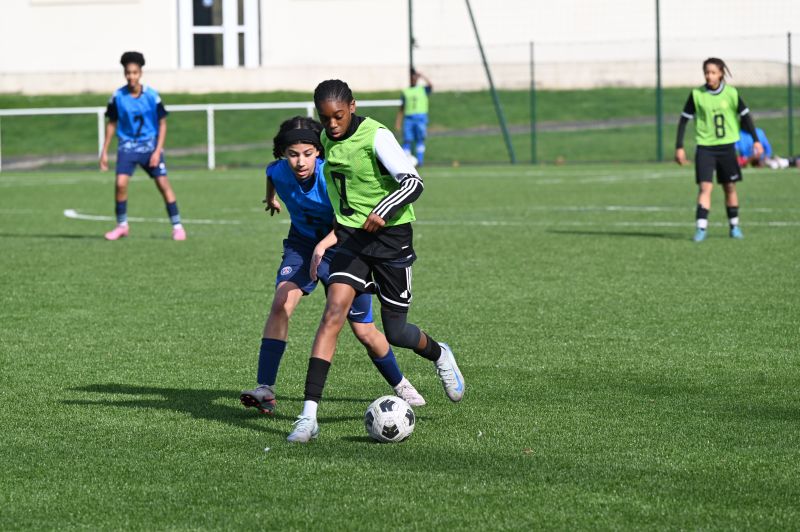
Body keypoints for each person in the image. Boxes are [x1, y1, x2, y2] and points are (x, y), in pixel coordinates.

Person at [286, 80, 464, 443]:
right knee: (333, 315)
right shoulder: (326, 139)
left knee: (396, 332)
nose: (332, 124)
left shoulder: (376, 136)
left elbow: (413, 182)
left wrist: (382, 210)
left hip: (391, 239)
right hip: (351, 241)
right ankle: (308, 417)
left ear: (352, 106)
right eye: (325, 117)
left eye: (338, 116)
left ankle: (439, 353)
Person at [240, 116, 425, 416]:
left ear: (318, 152)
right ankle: (265, 388)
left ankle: (400, 383)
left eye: (307, 154)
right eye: (292, 154)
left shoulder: (331, 177)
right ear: (283, 154)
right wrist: (270, 198)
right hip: (302, 246)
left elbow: (350, 221)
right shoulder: (278, 170)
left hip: (344, 248)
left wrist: (323, 244)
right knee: (281, 302)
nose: (300, 161)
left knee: (364, 330)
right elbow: (271, 174)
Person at [100, 51, 186, 241]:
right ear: (124, 74)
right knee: (120, 184)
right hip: (127, 147)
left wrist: (157, 150)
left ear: (140, 73)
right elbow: (112, 123)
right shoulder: (118, 96)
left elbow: (162, 124)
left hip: (149, 148)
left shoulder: (151, 96)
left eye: (135, 72)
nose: (131, 76)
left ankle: (178, 227)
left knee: (163, 184)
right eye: (128, 73)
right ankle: (122, 226)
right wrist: (104, 150)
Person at [675, 57, 762, 242]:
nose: (709, 76)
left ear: (721, 73)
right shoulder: (697, 94)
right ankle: (701, 228)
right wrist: (679, 147)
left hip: (727, 148)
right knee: (705, 187)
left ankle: (734, 226)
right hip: (705, 147)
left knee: (729, 187)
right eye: (706, 72)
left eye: (713, 72)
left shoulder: (731, 93)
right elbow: (683, 120)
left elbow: (746, 117)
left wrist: (756, 140)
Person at [395, 69, 432, 167]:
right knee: (407, 140)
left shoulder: (422, 89)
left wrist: (422, 76)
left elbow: (431, 86)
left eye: (415, 78)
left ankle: (420, 161)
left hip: (421, 119)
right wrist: (398, 122)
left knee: (420, 139)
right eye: (412, 78)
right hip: (409, 119)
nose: (413, 80)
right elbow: (402, 108)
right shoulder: (406, 91)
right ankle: (404, 162)